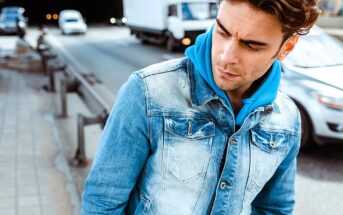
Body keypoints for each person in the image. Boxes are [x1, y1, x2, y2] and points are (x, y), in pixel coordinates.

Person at [81, 0, 320, 214]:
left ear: (286, 48)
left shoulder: (287, 119)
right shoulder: (146, 92)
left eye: (251, 45)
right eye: (222, 31)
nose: (226, 56)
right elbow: (103, 202)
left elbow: (273, 208)